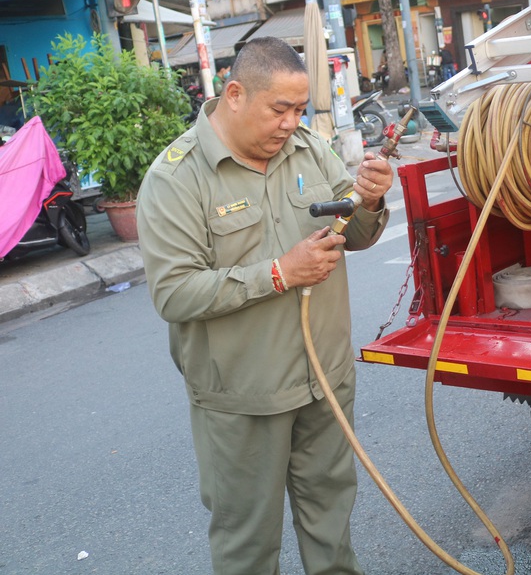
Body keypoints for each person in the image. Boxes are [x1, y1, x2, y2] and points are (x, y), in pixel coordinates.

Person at [136, 36, 393, 575]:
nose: (290, 122)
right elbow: (173, 292)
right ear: (234, 93)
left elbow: (355, 232)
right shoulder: (176, 178)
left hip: (324, 380)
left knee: (331, 524)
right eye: (280, 109)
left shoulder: (308, 149)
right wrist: (278, 274)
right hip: (243, 396)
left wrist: (368, 200)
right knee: (247, 544)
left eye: (300, 109)